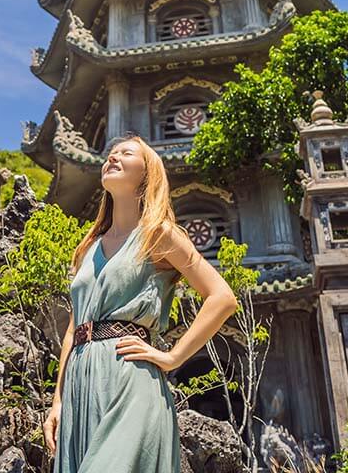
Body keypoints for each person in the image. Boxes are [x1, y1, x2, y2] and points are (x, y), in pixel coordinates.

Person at [44, 133, 239, 473]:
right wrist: (57, 400)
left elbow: (222, 297)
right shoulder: (88, 246)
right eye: (111, 153)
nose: (113, 157)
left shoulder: (158, 234)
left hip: (128, 377)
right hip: (79, 384)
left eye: (126, 153)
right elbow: (74, 329)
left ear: (148, 174)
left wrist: (173, 356)